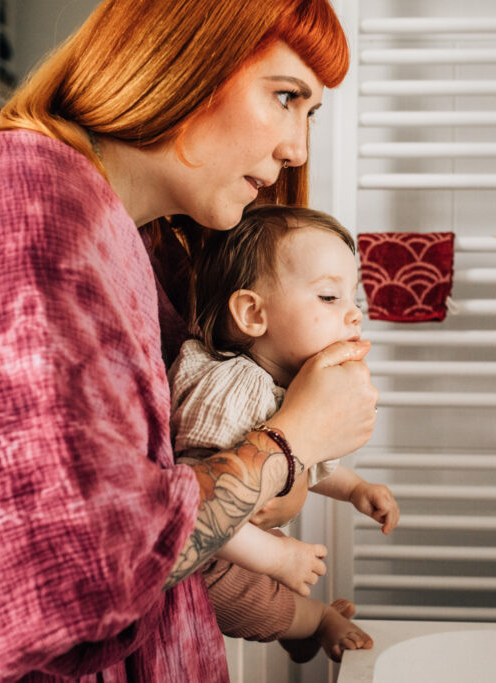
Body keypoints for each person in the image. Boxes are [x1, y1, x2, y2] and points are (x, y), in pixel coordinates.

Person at [0, 0, 379, 680]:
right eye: (284, 97)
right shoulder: (25, 207)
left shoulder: (137, 236)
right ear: (184, 57)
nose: (297, 148)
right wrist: (291, 440)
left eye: (310, 113)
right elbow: (66, 577)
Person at [168, 205, 400, 663]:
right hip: (204, 558)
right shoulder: (232, 384)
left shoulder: (280, 388)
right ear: (253, 313)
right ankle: (314, 621)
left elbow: (305, 458)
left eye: (355, 300)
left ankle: (297, 619)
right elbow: (200, 503)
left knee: (273, 572)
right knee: (239, 592)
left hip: (245, 539)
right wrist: (277, 561)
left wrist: (355, 488)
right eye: (330, 299)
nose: (354, 316)